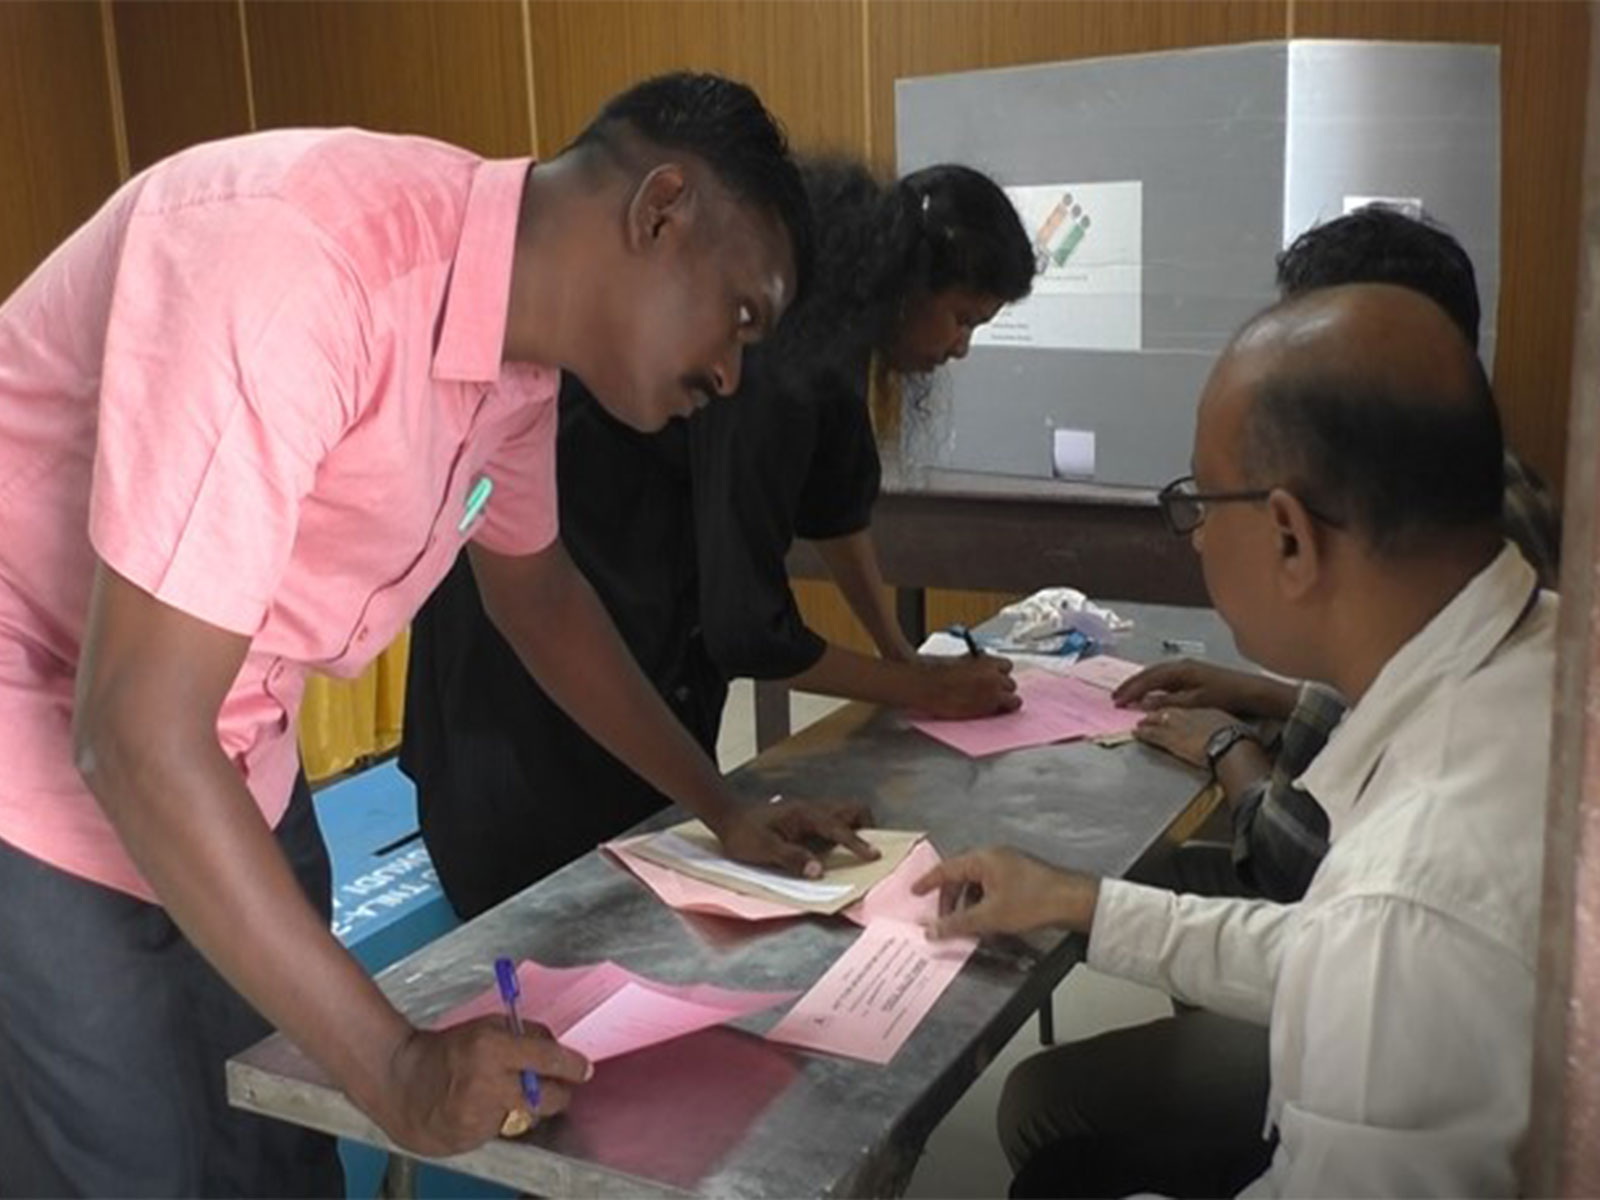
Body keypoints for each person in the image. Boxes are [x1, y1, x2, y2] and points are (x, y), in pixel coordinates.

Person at [0, 72, 887, 1197]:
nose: (728, 373)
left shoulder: (510, 367)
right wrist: (398, 1065)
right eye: (740, 316)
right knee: (128, 1159)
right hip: (38, 740)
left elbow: (543, 600)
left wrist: (723, 811)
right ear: (659, 210)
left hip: (231, 747)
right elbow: (132, 733)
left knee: (277, 1142)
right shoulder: (301, 262)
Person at [915, 283, 1555, 1196]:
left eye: (1201, 504)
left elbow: (1375, 955)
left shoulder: (1409, 901)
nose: (1197, 538)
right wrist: (1083, 901)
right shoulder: (1546, 648)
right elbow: (1331, 956)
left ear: (1291, 535)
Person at [403, 157, 1036, 918]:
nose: (960, 347)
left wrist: (904, 660)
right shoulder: (769, 345)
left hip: (623, 633)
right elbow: (748, 630)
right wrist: (920, 687)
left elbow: (838, 509)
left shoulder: (826, 327)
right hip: (532, 671)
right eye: (963, 318)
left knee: (658, 869)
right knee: (564, 920)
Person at [1117, 203, 1563, 904]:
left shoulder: (1381, 541)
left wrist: (1226, 745)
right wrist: (1268, 696)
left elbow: (1289, 855)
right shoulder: (1494, 493)